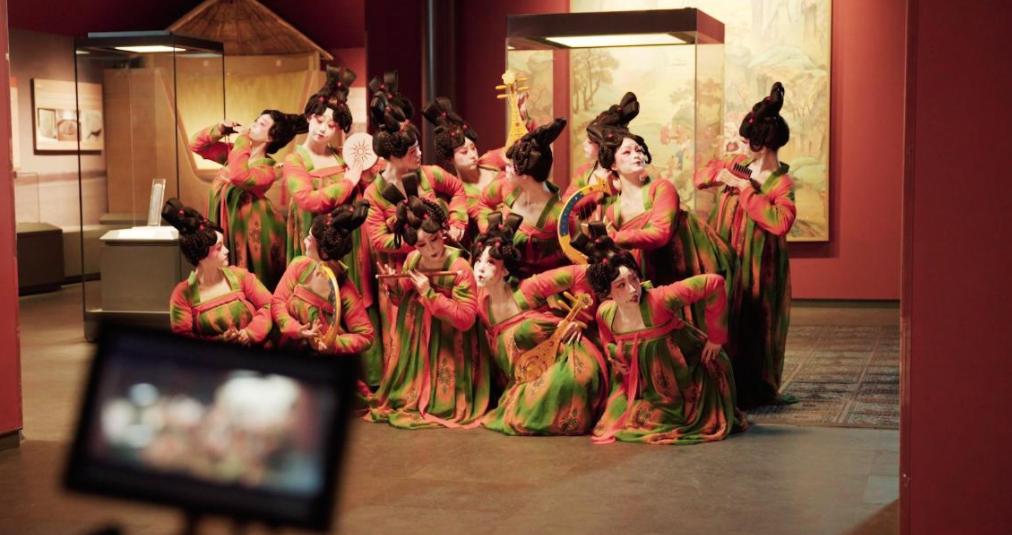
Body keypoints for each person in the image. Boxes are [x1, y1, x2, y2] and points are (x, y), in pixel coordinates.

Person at [579, 227, 746, 445]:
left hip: (684, 378)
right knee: (613, 420)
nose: (633, 290)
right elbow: (607, 339)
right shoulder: (606, 313)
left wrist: (716, 338)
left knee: (654, 421)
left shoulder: (660, 299)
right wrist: (616, 356)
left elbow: (714, 283)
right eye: (621, 285)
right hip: (643, 384)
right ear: (606, 292)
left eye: (634, 279)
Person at [695, 82, 797, 408]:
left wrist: (746, 191)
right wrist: (719, 176)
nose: (741, 145)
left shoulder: (780, 182)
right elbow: (701, 176)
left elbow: (779, 222)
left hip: (759, 262)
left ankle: (755, 386)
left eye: (747, 141)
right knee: (725, 310)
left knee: (756, 319)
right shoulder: (738, 164)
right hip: (727, 251)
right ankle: (721, 381)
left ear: (762, 145)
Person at [472, 214, 607, 435]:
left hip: (566, 353)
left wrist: (579, 320)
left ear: (505, 270)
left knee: (563, 385)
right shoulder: (481, 301)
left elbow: (582, 274)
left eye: (490, 262)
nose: (480, 268)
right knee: (524, 407)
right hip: (529, 369)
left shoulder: (528, 289)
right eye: (478, 260)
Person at [368, 189, 490, 429]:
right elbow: (402, 299)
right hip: (417, 344)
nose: (431, 249)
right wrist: (393, 286)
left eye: (434, 239)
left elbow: (466, 319)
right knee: (403, 396)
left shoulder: (460, 266)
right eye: (422, 244)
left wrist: (429, 294)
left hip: (449, 341)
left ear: (443, 232)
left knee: (442, 404)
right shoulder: (412, 260)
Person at [191, 110, 306, 289]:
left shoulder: (269, 169)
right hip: (224, 225)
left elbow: (239, 176)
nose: (253, 125)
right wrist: (219, 129)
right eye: (256, 120)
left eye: (261, 124)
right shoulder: (236, 154)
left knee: (248, 282)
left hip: (249, 233)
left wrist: (243, 139)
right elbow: (196, 145)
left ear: (271, 137)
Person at [272, 201, 375, 357]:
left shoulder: (343, 289)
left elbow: (366, 336)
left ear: (324, 252)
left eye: (309, 238)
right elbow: (277, 302)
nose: (305, 241)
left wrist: (332, 343)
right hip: (287, 352)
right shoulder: (299, 266)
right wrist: (296, 329)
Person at [164, 199, 272, 345]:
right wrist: (220, 341)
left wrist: (249, 333)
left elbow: (270, 305)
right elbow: (183, 342)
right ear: (201, 254)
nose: (226, 251)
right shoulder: (182, 295)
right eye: (219, 248)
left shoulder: (241, 276)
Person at [476, 118, 570, 278]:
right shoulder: (506, 187)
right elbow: (483, 203)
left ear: (525, 175)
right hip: (501, 277)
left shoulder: (560, 217)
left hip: (541, 285)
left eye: (510, 166)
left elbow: (572, 259)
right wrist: (489, 232)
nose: (505, 169)